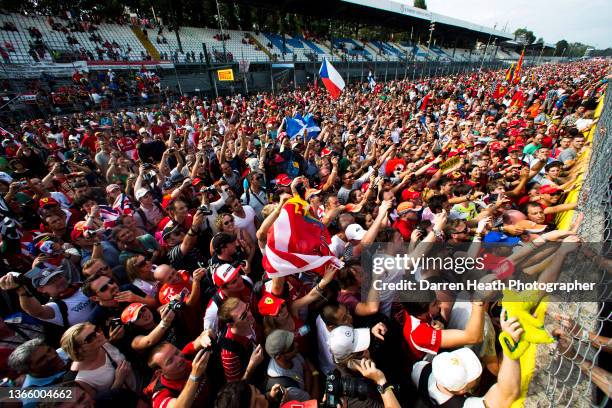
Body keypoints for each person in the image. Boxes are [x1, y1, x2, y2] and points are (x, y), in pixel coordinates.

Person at [412, 309, 523, 408]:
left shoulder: (419, 371)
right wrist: (509, 344)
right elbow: (508, 393)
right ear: (462, 390)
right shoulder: (467, 405)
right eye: (472, 374)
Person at [60, 323, 138, 401]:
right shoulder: (81, 380)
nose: (99, 334)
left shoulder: (103, 344)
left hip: (141, 383)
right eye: (90, 338)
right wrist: (118, 381)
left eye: (97, 330)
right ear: (78, 350)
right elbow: (99, 404)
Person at [8, 338, 74, 408]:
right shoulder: (32, 399)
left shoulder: (67, 351)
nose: (53, 356)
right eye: (42, 359)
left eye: (49, 350)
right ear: (27, 370)